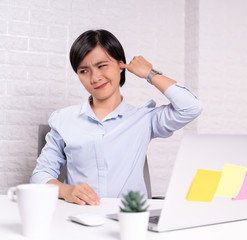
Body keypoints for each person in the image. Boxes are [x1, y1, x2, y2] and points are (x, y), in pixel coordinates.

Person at [30, 29, 202, 206]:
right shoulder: (64, 120)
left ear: (121, 64)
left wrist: (150, 74)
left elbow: (191, 107)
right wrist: (67, 191)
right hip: (79, 216)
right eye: (84, 71)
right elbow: (40, 176)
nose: (95, 77)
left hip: (128, 218)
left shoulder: (144, 119)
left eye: (102, 65)